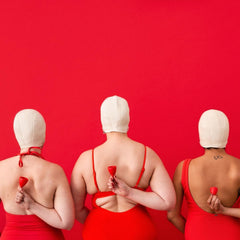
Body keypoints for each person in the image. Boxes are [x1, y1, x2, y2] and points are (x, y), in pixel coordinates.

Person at [71, 95, 176, 240]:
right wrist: (130, 193)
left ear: (103, 120)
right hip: (138, 229)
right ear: (127, 119)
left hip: (99, 230)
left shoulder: (85, 159)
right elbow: (168, 202)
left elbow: (76, 209)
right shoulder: (148, 154)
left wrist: (98, 220)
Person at [0, 109, 74, 240]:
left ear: (17, 134)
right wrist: (33, 206)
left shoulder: (1, 168)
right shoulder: (55, 171)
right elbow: (66, 222)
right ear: (43, 134)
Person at [167, 109, 240, 240]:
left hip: (197, 234)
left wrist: (192, 233)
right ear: (226, 133)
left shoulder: (184, 168)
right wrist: (225, 211)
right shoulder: (238, 167)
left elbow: (172, 215)